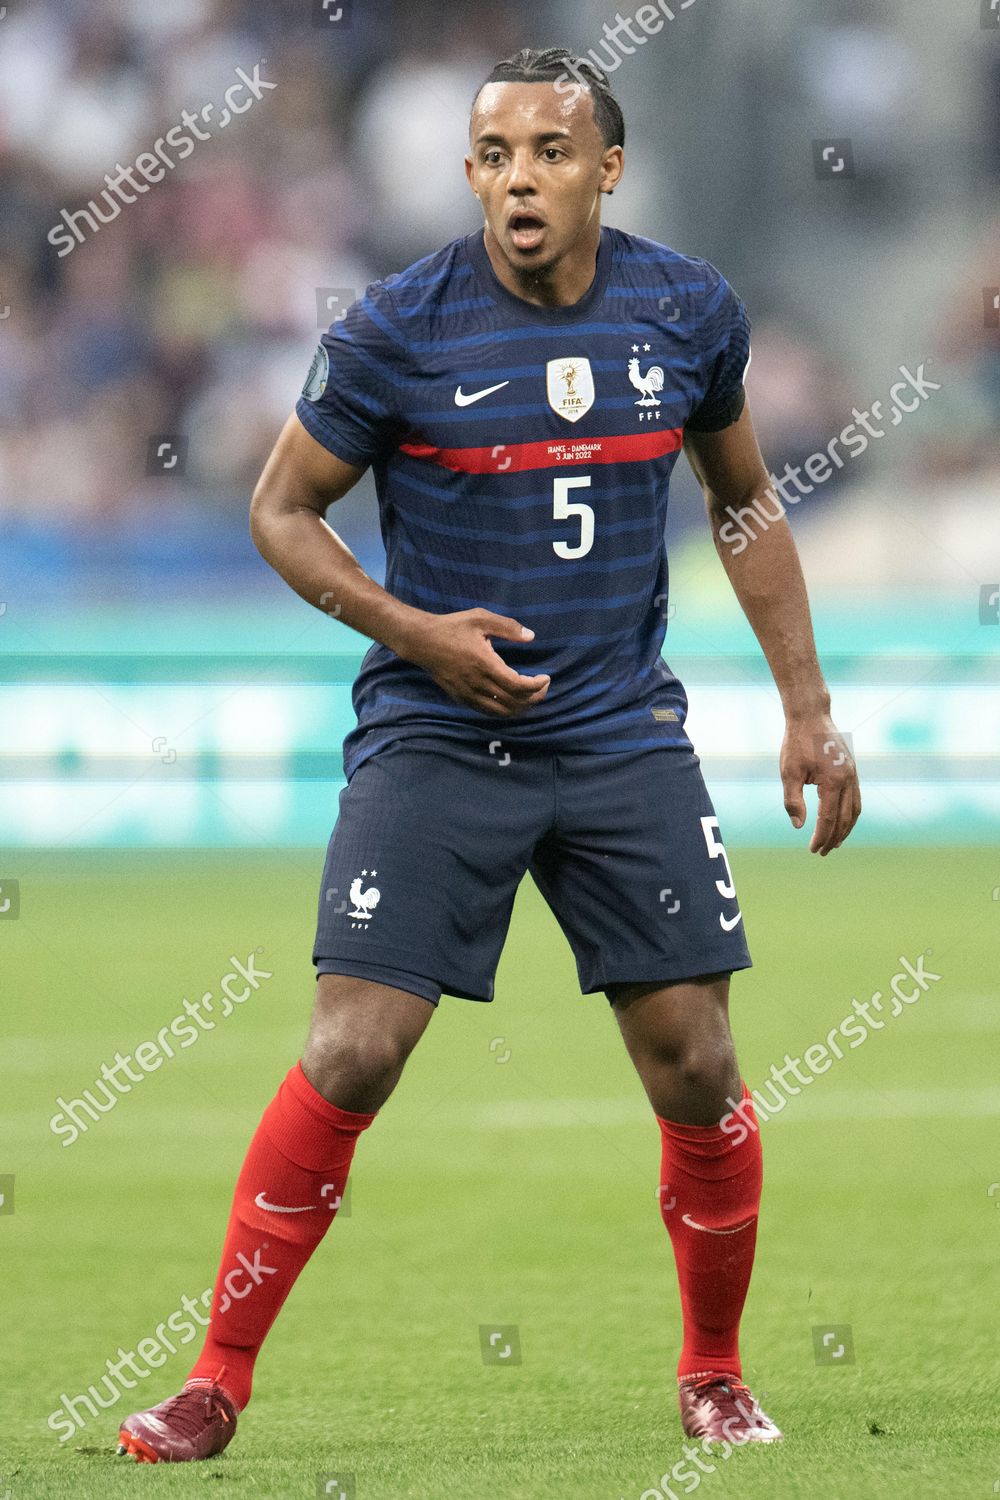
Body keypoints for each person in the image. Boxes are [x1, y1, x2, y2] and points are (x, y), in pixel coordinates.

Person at [118, 45, 860, 1464]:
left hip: (619, 733)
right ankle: (215, 1382)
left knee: (696, 1061)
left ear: (606, 170)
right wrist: (416, 632)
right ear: (470, 173)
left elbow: (747, 503)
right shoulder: (398, 330)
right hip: (438, 736)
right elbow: (283, 512)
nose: (521, 178)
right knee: (351, 1052)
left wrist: (807, 707)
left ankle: (714, 1373)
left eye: (550, 153)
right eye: (496, 155)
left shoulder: (686, 312)